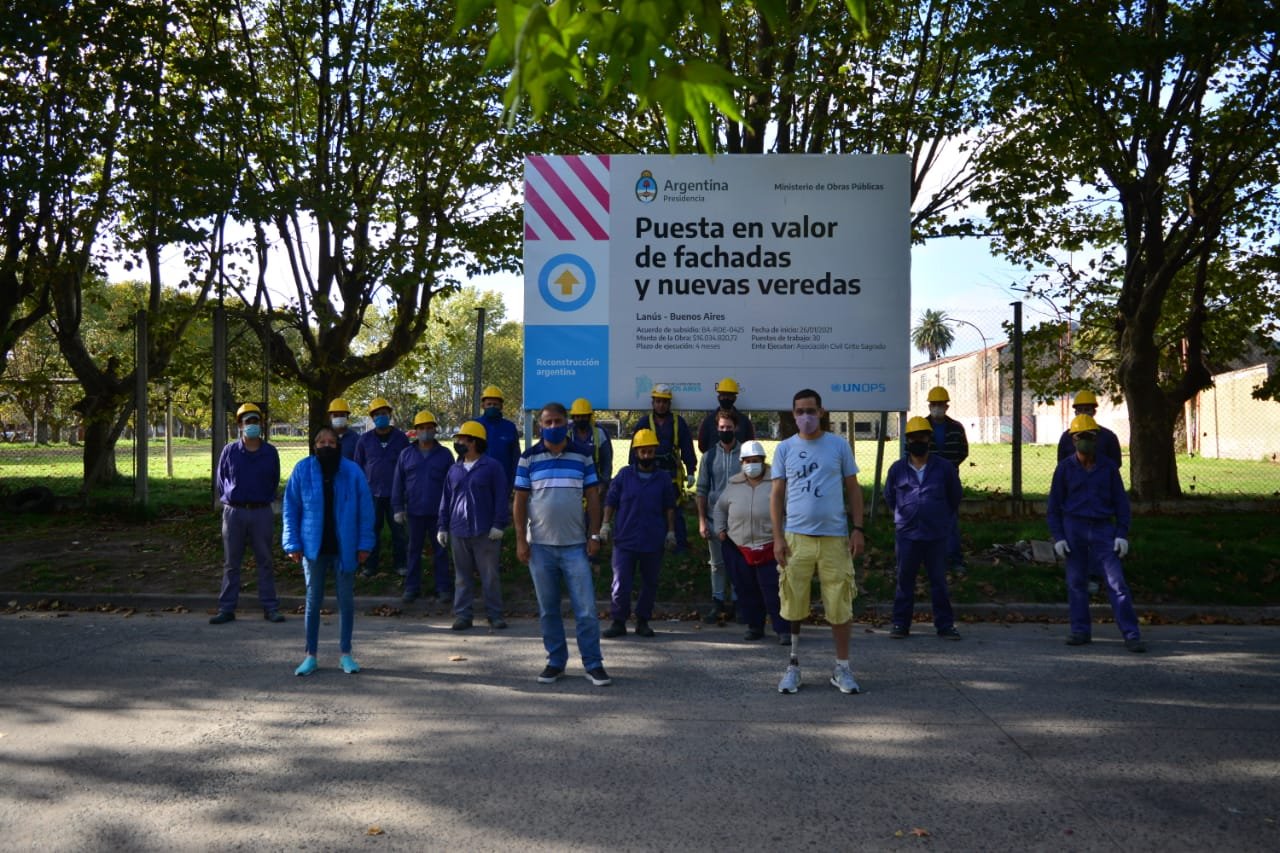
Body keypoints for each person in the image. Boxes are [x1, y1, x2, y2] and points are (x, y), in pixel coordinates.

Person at [770, 389, 865, 695]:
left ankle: (842, 668)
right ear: (793, 413)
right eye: (799, 411)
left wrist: (858, 528)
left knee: (840, 606)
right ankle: (793, 666)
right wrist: (777, 538)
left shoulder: (838, 446)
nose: (805, 417)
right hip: (796, 538)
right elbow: (776, 495)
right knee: (794, 603)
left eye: (810, 411)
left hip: (835, 538)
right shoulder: (785, 449)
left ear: (822, 412)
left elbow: (853, 488)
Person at [513, 402, 610, 686]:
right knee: (548, 610)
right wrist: (521, 540)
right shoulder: (528, 458)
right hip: (540, 548)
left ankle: (593, 664)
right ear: (540, 425)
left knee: (587, 610)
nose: (553, 427)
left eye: (558, 421)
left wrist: (594, 535)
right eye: (548, 422)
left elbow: (593, 497)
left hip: (576, 547)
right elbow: (519, 501)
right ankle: (556, 662)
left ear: (566, 423)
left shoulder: (582, 456)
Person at [282, 427, 376, 676]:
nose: (326, 445)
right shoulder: (303, 469)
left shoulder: (352, 471)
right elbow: (290, 508)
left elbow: (366, 510)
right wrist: (292, 543)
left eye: (331, 442)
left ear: (339, 445)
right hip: (313, 548)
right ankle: (310, 655)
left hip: (345, 548)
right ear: (314, 445)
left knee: (346, 601)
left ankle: (346, 654)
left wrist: (365, 543)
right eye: (321, 442)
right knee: (313, 602)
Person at [1048, 414, 1146, 653]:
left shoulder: (1109, 468)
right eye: (1082, 436)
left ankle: (1131, 634)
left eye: (1091, 436)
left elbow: (1121, 504)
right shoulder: (1064, 469)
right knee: (1076, 583)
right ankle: (1080, 631)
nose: (1087, 441)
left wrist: (1122, 533)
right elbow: (1053, 507)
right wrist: (1059, 537)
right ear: (1073, 440)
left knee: (1117, 583)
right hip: (1074, 528)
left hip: (1103, 528)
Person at [883, 417, 964, 640]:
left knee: (938, 581)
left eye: (922, 437)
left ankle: (945, 625)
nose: (918, 441)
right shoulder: (897, 469)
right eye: (913, 437)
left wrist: (941, 518)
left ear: (929, 439)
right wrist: (903, 516)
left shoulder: (944, 468)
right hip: (907, 535)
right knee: (904, 580)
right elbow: (890, 496)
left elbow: (954, 496)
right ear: (907, 441)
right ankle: (900, 624)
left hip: (936, 534)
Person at [211, 403, 284, 625]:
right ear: (240, 425)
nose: (251, 425)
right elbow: (221, 480)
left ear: (261, 424)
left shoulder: (270, 452)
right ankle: (226, 608)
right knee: (231, 563)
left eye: (255, 421)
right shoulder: (229, 451)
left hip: (261, 512)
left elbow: (274, 479)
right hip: (234, 513)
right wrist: (232, 501)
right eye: (247, 421)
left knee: (265, 561)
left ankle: (270, 607)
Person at [600, 429, 676, 638]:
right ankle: (618, 621)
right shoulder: (624, 475)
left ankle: (643, 621)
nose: (646, 456)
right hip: (625, 539)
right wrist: (605, 525)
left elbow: (669, 506)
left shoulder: (663, 478)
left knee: (649, 582)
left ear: (655, 452)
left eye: (650, 451)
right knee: (621, 582)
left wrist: (670, 532)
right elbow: (610, 501)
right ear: (636, 452)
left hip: (653, 539)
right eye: (642, 452)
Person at [713, 440, 789, 643]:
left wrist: (786, 534)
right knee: (746, 588)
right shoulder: (733, 483)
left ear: (764, 462)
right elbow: (720, 507)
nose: (751, 464)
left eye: (756, 461)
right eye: (747, 461)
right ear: (741, 462)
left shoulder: (778, 482)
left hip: (770, 545)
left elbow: (790, 510)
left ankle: (783, 629)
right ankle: (754, 626)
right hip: (739, 546)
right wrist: (720, 529)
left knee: (773, 590)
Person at [438, 421, 510, 630]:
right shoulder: (454, 469)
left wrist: (499, 524)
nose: (458, 443)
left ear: (475, 442)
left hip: (485, 531)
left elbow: (500, 497)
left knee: (490, 576)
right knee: (462, 577)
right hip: (458, 530)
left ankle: (495, 615)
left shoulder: (492, 467)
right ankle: (463, 616)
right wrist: (442, 526)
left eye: (462, 439)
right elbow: (446, 499)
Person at [392, 410, 454, 604]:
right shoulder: (406, 454)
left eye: (429, 428)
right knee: (413, 550)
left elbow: (452, 484)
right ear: (415, 431)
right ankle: (412, 587)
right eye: (421, 428)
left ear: (435, 430)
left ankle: (443, 587)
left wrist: (451, 511)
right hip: (414, 512)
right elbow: (398, 483)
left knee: (441, 551)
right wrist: (397, 508)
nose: (425, 431)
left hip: (439, 513)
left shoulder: (445, 455)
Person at [632, 383, 697, 553]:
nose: (661, 405)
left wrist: (691, 471)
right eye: (658, 401)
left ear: (669, 404)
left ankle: (679, 545)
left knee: (675, 509)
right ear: (653, 402)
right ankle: (651, 544)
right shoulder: (644, 422)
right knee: (649, 508)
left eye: (665, 402)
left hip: (671, 475)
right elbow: (635, 449)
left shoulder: (678, 422)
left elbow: (687, 447)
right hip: (649, 473)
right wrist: (633, 472)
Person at [353, 397, 410, 577]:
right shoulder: (364, 440)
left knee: (398, 532)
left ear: (390, 415)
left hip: (396, 495)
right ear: (372, 417)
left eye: (384, 414)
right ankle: (370, 566)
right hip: (372, 494)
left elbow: (407, 465)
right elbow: (358, 465)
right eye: (377, 414)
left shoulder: (401, 438)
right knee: (371, 531)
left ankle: (400, 564)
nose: (381, 417)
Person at [695, 410, 742, 624]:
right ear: (717, 428)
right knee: (717, 563)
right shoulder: (709, 456)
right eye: (721, 428)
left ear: (736, 428)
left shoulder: (745, 454)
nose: (725, 431)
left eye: (728, 427)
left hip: (741, 519)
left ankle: (739, 603)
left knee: (740, 563)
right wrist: (702, 520)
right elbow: (702, 490)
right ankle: (718, 603)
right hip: (715, 519)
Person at [924, 386, 969, 573]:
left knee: (950, 522)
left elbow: (963, 451)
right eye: (934, 404)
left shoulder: (956, 428)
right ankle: (930, 559)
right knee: (926, 521)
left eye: (940, 404)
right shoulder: (922, 426)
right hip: (927, 482)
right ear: (929, 406)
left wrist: (948, 469)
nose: (937, 408)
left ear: (946, 406)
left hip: (950, 482)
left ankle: (954, 559)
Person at [1056, 390, 1122, 467]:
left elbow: (1116, 464)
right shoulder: (1066, 437)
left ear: (1094, 412)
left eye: (1087, 409)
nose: (1083, 413)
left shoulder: (1108, 436)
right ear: (1075, 413)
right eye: (1080, 410)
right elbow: (1061, 464)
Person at [479, 384, 520, 494]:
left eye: (495, 404)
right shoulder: (475, 425)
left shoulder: (509, 427)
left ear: (501, 406)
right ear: (483, 405)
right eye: (489, 404)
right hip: (478, 482)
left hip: (503, 483)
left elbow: (515, 457)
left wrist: (513, 483)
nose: (492, 407)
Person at [696, 376, 755, 452]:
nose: (726, 398)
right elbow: (702, 446)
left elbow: (750, 445)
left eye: (729, 395)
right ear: (718, 397)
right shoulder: (708, 421)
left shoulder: (744, 421)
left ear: (735, 398)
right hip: (715, 462)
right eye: (723, 395)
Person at [570, 397, 613, 497]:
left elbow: (607, 462)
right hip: (572, 485)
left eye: (584, 416)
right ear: (573, 417)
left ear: (589, 416)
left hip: (595, 484)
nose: (581, 419)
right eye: (578, 416)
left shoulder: (600, 433)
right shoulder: (567, 434)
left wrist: (603, 483)